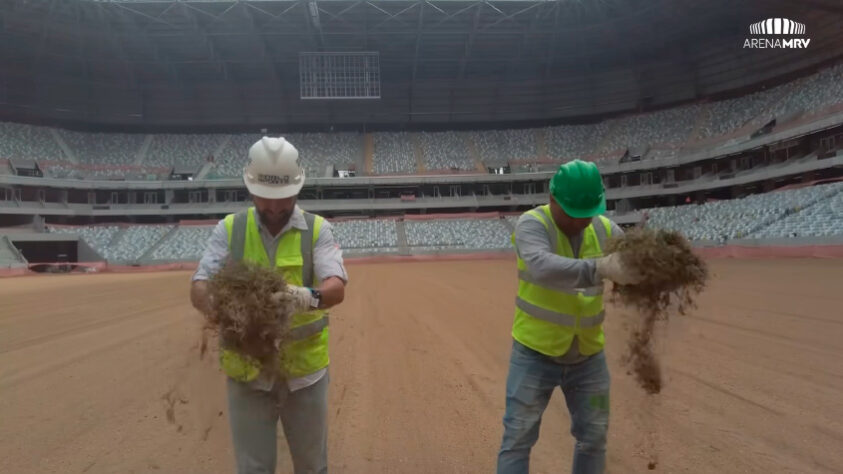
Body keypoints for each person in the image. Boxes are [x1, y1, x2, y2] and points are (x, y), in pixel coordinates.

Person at [190, 136, 348, 474]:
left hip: (305, 376)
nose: (275, 208)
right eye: (266, 199)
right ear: (250, 188)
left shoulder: (318, 230)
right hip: (247, 374)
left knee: (312, 467)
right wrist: (227, 306)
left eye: (283, 199)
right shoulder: (229, 230)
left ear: (297, 189)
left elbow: (335, 288)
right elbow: (199, 287)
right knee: (253, 469)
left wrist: (303, 296)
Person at [497, 160, 641, 474]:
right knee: (518, 438)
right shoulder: (532, 224)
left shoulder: (604, 228)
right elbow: (541, 266)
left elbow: (633, 254)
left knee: (594, 436)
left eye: (587, 213)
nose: (581, 222)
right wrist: (600, 268)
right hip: (535, 354)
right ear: (553, 199)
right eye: (573, 214)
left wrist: (644, 268)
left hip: (589, 359)